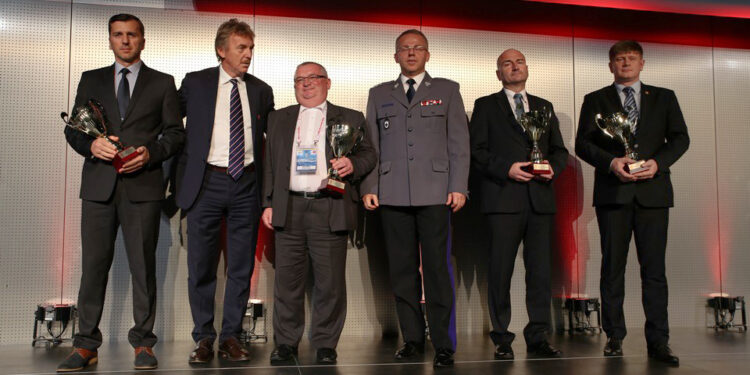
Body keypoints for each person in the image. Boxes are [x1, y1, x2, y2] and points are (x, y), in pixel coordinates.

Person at [58, 13, 184, 372]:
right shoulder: (91, 79)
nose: (125, 41)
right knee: (93, 267)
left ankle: (143, 344)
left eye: (132, 35)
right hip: (99, 186)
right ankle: (85, 345)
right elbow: (75, 129)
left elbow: (176, 135)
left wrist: (150, 153)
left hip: (142, 188)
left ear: (143, 40)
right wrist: (90, 146)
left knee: (143, 268)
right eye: (118, 35)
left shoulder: (163, 83)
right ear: (110, 39)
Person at [575, 40, 689, 366]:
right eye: (619, 59)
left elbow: (681, 137)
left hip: (653, 194)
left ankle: (659, 342)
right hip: (614, 194)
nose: (625, 63)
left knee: (654, 271)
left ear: (642, 63)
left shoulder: (664, 97)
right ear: (610, 65)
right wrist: (612, 163)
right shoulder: (596, 99)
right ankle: (614, 336)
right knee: (613, 268)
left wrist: (658, 163)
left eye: (631, 58)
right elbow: (582, 143)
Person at [361, 29, 470, 368]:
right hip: (392, 193)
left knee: (437, 270)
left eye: (417, 48)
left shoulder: (447, 90)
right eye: (404, 49)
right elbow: (371, 146)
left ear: (427, 54)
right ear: (396, 56)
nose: (411, 53)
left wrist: (459, 185)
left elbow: (459, 144)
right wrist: (369, 186)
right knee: (402, 270)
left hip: (437, 192)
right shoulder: (379, 94)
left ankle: (442, 343)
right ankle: (411, 339)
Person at [261, 62, 376, 365]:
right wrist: (268, 202)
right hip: (290, 206)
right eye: (299, 79)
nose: (306, 84)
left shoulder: (350, 117)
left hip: (330, 205)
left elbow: (369, 155)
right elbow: (270, 163)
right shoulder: (278, 118)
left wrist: (353, 165)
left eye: (313, 78)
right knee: (287, 281)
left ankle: (325, 344)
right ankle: (285, 343)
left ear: (328, 82)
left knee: (330, 283)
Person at [176, 18, 274, 363]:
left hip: (246, 183)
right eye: (241, 48)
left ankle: (231, 336)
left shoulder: (261, 90)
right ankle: (203, 337)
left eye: (250, 49)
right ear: (222, 50)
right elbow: (172, 128)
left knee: (241, 266)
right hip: (206, 182)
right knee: (201, 265)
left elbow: (271, 144)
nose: (248, 55)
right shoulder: (196, 83)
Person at [469, 49, 568, 360]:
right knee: (500, 271)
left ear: (528, 68)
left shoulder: (544, 106)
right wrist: (506, 168)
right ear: (499, 73)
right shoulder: (485, 106)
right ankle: (501, 338)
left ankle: (538, 336)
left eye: (519, 61)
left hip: (540, 199)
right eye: (506, 64)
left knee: (539, 273)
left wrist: (553, 166)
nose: (514, 67)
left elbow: (560, 150)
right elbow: (477, 151)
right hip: (503, 198)